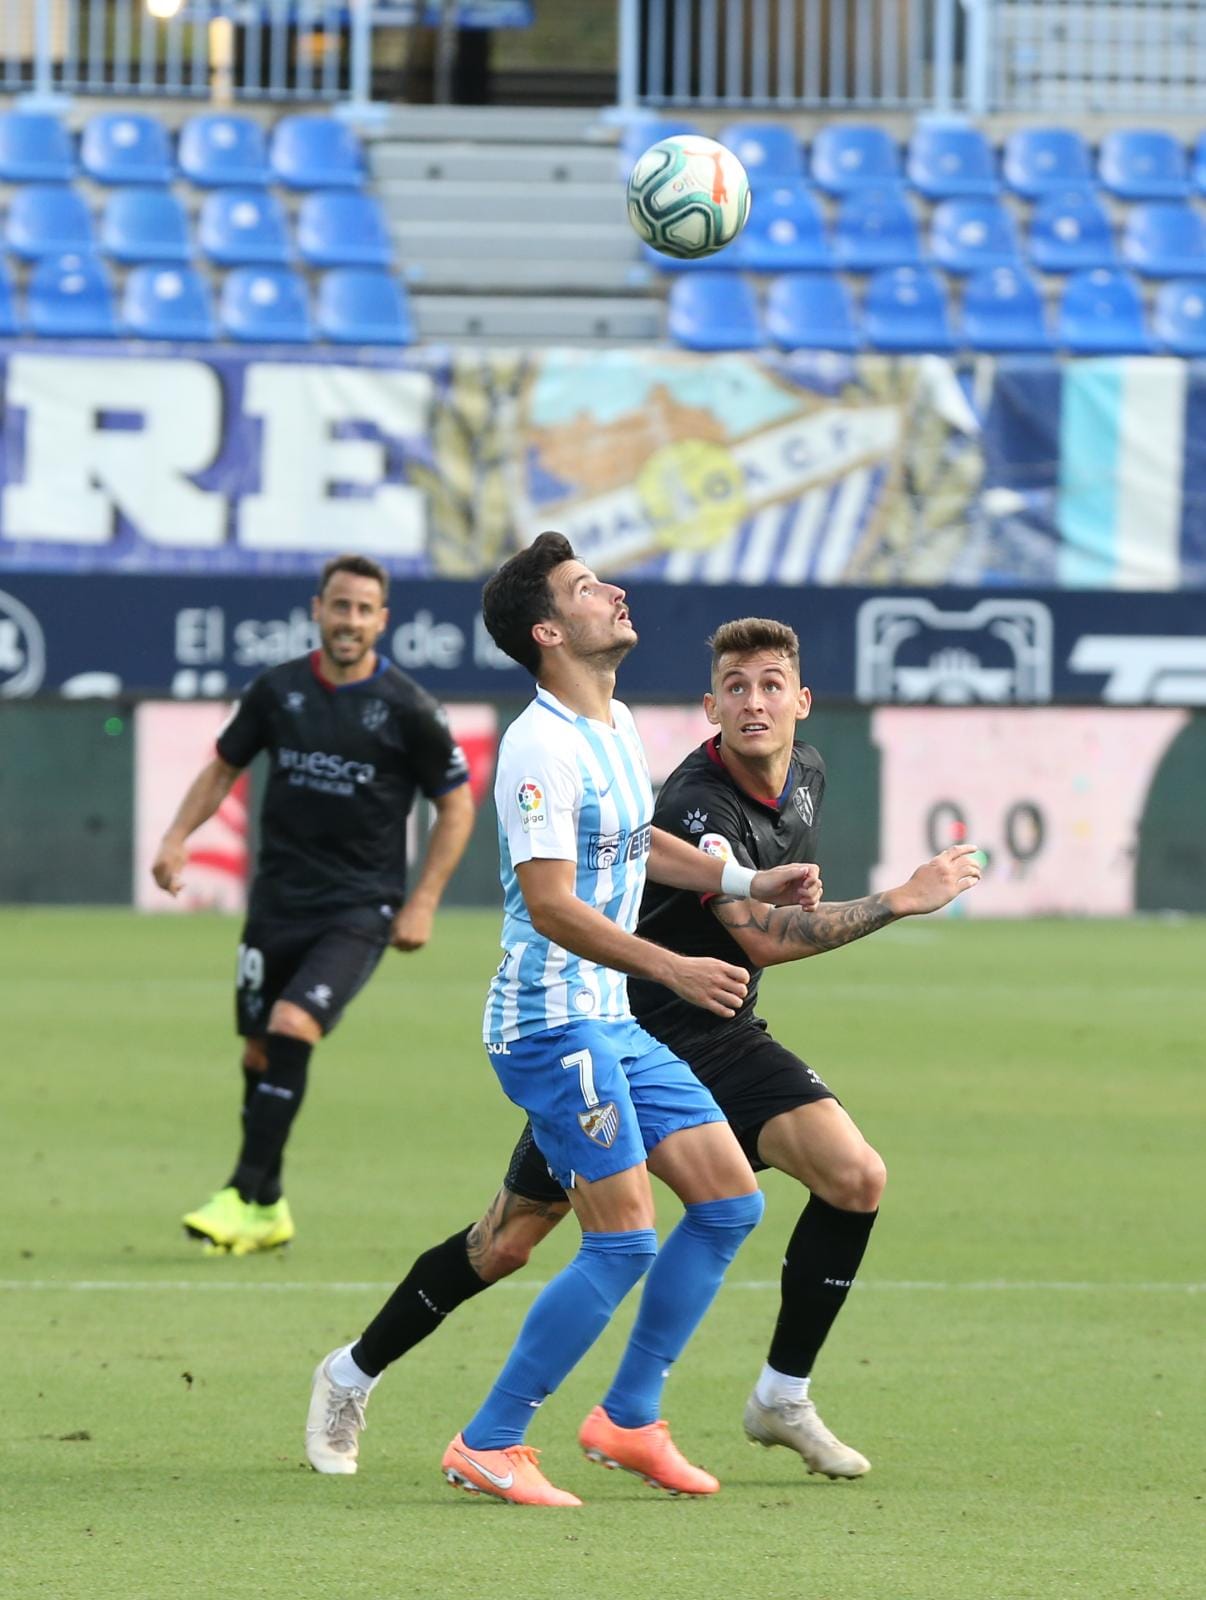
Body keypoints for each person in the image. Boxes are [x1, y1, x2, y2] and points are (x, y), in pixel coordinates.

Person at [305, 614, 983, 1484]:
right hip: (631, 1024)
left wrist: (764, 884)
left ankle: (766, 1396)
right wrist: (897, 899)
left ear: (803, 701)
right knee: (509, 1240)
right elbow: (763, 938)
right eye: (735, 688)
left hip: (717, 1035)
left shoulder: (804, 773)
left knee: (851, 1178)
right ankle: (353, 1374)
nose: (754, 702)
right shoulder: (695, 797)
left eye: (772, 684)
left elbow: (746, 921)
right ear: (710, 707)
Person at [312, 533, 821, 1507]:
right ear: (549, 630)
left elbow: (639, 843)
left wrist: (749, 877)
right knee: (621, 1240)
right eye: (588, 588)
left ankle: (628, 1420)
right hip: (551, 1026)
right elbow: (549, 904)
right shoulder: (538, 745)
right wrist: (673, 961)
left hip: (611, 1020)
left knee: (729, 1202)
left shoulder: (616, 722)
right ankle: (490, 1439)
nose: (612, 592)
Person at [152, 553, 475, 1258]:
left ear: (381, 620)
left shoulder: (409, 708)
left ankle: (240, 1190)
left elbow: (456, 804)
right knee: (260, 1050)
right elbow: (223, 766)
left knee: (295, 1025)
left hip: (361, 907)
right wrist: (178, 836)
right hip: (275, 905)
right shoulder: (278, 690)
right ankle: (267, 1207)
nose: (350, 620)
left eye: (364, 609)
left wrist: (423, 902)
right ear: (317, 610)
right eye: (340, 606)